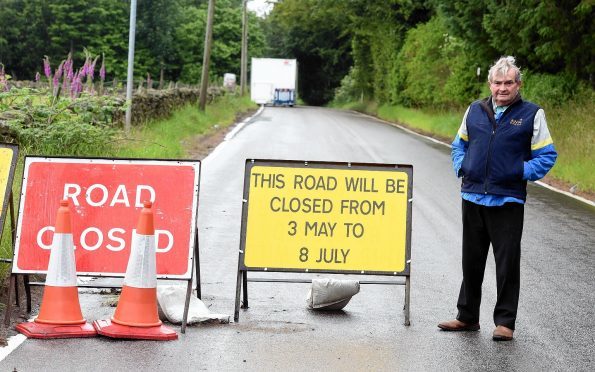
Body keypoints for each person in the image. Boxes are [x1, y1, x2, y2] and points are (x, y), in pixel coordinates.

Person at [438, 56, 557, 341]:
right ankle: (466, 317)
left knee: (506, 264)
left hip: (508, 200)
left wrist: (519, 171)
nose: (502, 88)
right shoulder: (475, 110)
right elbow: (458, 145)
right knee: (471, 260)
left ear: (518, 85)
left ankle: (505, 323)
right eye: (497, 83)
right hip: (473, 195)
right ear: (490, 84)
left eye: (508, 83)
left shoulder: (531, 114)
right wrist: (462, 166)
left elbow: (547, 156)